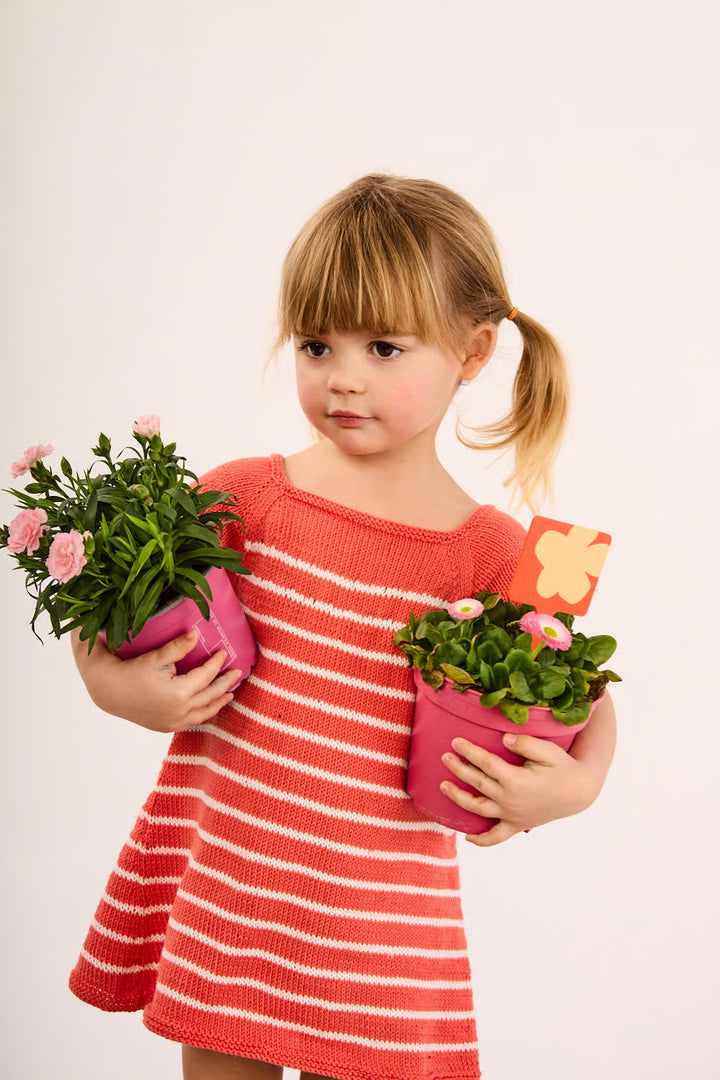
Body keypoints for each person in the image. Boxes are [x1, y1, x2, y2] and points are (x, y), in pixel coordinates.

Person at [68, 174, 616, 1080]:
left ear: (474, 352)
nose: (343, 376)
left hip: (378, 914)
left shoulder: (493, 556)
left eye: (385, 347)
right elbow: (114, 606)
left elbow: (579, 700)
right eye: (317, 343)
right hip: (233, 884)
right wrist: (112, 685)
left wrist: (573, 787)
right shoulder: (242, 497)